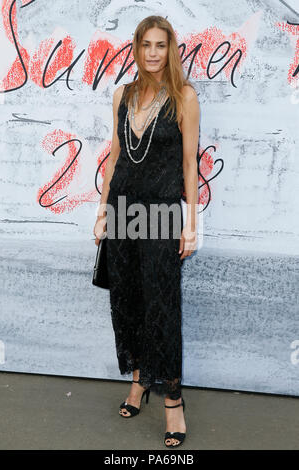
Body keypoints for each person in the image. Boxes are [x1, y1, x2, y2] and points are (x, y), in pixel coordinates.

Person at [93, 15, 200, 448]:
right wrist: (102, 212)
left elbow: (190, 165)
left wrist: (190, 224)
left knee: (162, 307)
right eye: (145, 45)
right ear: (136, 49)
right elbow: (116, 157)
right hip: (121, 212)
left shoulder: (185, 97)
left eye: (161, 45)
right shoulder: (122, 94)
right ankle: (139, 383)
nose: (153, 53)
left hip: (160, 216)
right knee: (128, 302)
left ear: (170, 49)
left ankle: (172, 400)